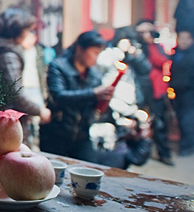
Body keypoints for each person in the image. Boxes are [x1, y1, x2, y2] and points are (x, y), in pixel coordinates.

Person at [41, 30, 152, 169]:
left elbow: (96, 108)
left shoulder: (95, 73)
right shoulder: (58, 66)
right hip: (56, 133)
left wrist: (103, 100)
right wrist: (94, 93)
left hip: (82, 134)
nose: (96, 58)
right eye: (94, 52)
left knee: (87, 171)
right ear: (80, 49)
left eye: (99, 53)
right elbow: (59, 96)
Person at [0, 7, 51, 145]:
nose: (29, 33)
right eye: (27, 29)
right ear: (17, 31)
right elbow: (16, 95)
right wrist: (40, 110)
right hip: (7, 122)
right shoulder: (8, 55)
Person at [134, 20, 174, 165]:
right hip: (138, 89)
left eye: (147, 31)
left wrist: (150, 44)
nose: (144, 35)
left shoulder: (155, 47)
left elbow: (162, 60)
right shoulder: (136, 47)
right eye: (141, 32)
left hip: (155, 89)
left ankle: (164, 153)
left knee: (159, 121)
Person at [169, 26, 194, 156]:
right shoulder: (176, 53)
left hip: (189, 92)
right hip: (177, 91)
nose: (183, 41)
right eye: (181, 38)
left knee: (187, 119)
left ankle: (187, 146)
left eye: (186, 39)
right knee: (180, 117)